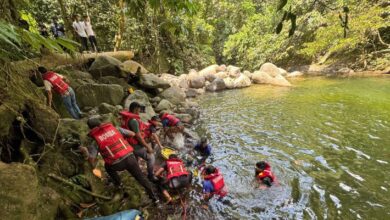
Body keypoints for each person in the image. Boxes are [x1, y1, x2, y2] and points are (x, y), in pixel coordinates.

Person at [84, 117, 159, 203]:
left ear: (90, 128)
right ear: (101, 123)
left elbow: (91, 160)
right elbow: (132, 134)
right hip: (130, 158)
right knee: (141, 178)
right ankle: (155, 199)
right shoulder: (115, 129)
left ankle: (119, 185)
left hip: (116, 164)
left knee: (107, 167)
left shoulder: (95, 140)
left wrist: (86, 152)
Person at [119, 102, 157, 181]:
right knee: (151, 157)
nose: (139, 111)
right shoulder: (133, 121)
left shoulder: (126, 116)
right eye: (139, 109)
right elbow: (138, 137)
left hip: (127, 143)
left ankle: (135, 172)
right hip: (135, 145)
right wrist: (147, 147)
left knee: (135, 158)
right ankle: (151, 176)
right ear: (136, 109)